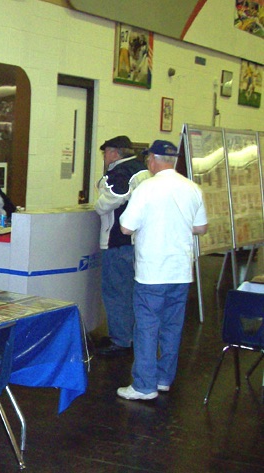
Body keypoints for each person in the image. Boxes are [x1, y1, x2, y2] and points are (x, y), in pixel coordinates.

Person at [116, 140, 207, 400]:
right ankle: (164, 378)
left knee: (146, 327)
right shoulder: (193, 188)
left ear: (153, 160)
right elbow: (201, 228)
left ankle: (144, 386)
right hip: (181, 271)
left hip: (152, 272)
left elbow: (126, 227)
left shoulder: (146, 188)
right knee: (171, 327)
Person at [94, 135, 150, 356]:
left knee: (116, 291)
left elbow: (109, 201)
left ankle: (120, 340)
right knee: (132, 291)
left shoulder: (120, 172)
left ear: (114, 152)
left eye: (105, 152)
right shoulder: (143, 170)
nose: (105, 157)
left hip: (117, 240)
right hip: (137, 241)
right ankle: (132, 336)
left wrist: (98, 204)